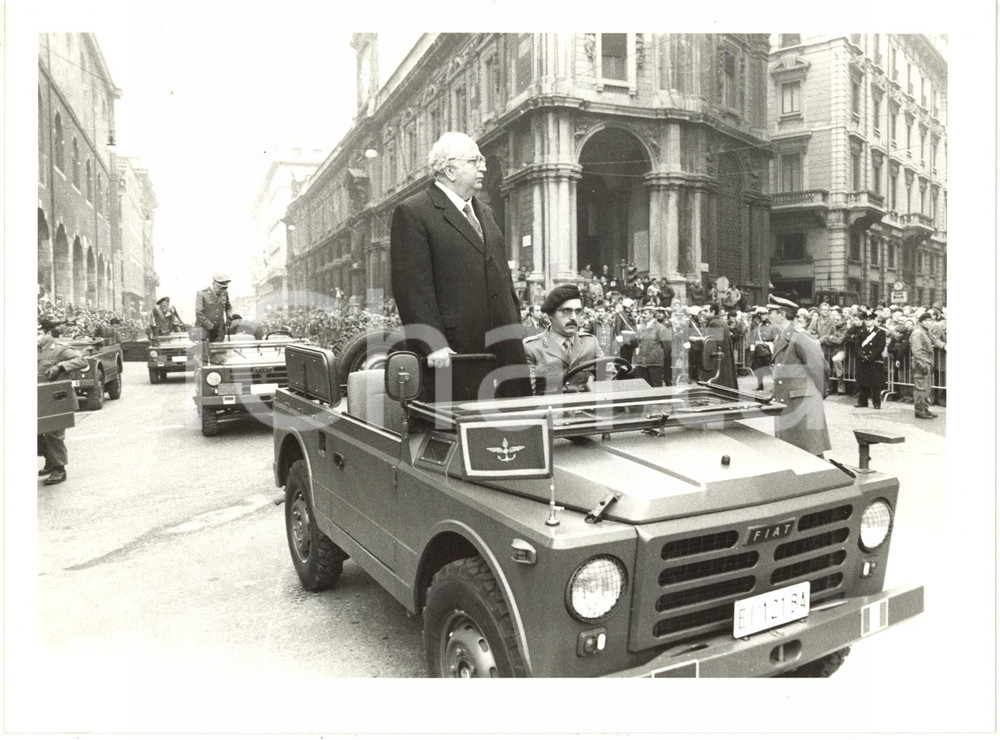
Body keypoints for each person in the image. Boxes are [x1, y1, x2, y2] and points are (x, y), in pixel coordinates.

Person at [389, 131, 529, 397]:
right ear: (450, 169)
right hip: (457, 351)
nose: (484, 167)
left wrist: (515, 324)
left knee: (516, 428)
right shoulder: (414, 212)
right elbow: (412, 288)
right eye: (475, 161)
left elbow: (502, 276)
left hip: (506, 350)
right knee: (466, 431)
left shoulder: (485, 212)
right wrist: (433, 343)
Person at [767, 296, 831, 457]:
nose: (767, 315)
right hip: (788, 402)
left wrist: (817, 394)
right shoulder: (782, 336)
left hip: (802, 402)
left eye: (771, 312)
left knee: (811, 454)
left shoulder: (800, 336)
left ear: (781, 314)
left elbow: (819, 367)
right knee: (793, 455)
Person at [523, 284, 605, 394]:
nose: (574, 317)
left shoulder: (590, 342)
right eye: (566, 311)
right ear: (550, 315)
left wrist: (594, 388)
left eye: (578, 311)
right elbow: (529, 397)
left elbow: (609, 379)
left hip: (586, 409)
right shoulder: (532, 348)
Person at [37, 318, 88, 485]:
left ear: (49, 333)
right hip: (39, 398)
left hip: (57, 399)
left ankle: (59, 469)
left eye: (38, 333)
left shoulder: (59, 349)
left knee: (54, 434)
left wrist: (60, 367)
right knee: (37, 434)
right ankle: (50, 461)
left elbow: (82, 361)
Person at [910, 312, 945, 419]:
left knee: (926, 388)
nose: (928, 322)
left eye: (930, 320)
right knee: (920, 388)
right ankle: (920, 410)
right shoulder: (917, 333)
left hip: (927, 362)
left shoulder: (926, 332)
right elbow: (917, 351)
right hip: (921, 363)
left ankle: (925, 408)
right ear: (920, 322)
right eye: (925, 321)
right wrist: (923, 364)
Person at [853, 310, 887, 409]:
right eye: (866, 320)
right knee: (862, 381)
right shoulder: (861, 332)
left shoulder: (880, 332)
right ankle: (862, 401)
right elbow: (857, 346)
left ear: (874, 320)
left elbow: (880, 347)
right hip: (863, 359)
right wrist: (862, 356)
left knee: (875, 382)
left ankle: (876, 403)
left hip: (874, 360)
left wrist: (871, 356)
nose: (868, 322)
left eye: (870, 320)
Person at [633, 305, 671, 387]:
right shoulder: (641, 328)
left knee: (655, 387)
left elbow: (667, 346)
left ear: (652, 314)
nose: (643, 315)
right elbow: (638, 344)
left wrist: (658, 357)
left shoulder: (660, 328)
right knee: (642, 388)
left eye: (645, 313)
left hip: (655, 364)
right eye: (642, 313)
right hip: (642, 364)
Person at [702, 302, 738, 389]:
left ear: (713, 312)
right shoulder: (722, 322)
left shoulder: (713, 323)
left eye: (706, 311)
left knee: (715, 385)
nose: (703, 313)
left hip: (717, 362)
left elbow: (715, 344)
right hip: (725, 360)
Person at [194, 273, 233, 342]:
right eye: (220, 288)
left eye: (224, 288)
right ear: (214, 284)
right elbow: (199, 313)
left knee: (219, 351)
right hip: (203, 331)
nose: (222, 290)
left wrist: (229, 316)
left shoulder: (224, 293)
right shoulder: (202, 294)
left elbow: (228, 307)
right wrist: (210, 327)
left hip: (219, 331)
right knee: (204, 351)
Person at [748, 307, 779, 392]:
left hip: (768, 348)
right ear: (758, 315)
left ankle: (775, 385)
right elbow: (752, 337)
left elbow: (775, 336)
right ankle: (760, 385)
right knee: (759, 368)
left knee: (770, 367)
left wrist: (773, 346)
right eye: (762, 314)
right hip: (758, 348)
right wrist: (752, 349)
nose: (764, 316)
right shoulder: (755, 325)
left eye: (765, 314)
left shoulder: (771, 324)